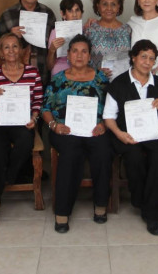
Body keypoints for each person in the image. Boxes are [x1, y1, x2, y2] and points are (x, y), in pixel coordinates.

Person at [41, 34, 111, 233]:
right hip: (65, 130)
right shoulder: (58, 79)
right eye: (75, 51)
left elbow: (111, 107)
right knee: (70, 154)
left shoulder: (101, 78)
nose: (79, 55)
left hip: (95, 129)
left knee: (103, 152)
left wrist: (104, 125)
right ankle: (62, 211)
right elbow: (45, 108)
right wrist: (54, 125)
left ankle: (100, 204)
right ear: (68, 55)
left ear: (89, 56)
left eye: (84, 51)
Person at [103, 40, 158, 235]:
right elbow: (108, 117)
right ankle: (146, 204)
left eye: (151, 58)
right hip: (126, 133)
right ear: (133, 58)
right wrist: (120, 134)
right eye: (143, 57)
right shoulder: (118, 84)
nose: (147, 62)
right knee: (133, 157)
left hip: (153, 133)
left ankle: (149, 209)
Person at [0, 33, 45, 226]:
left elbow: (38, 101)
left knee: (26, 140)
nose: (11, 51)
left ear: (22, 50)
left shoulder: (32, 72)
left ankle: (1, 181)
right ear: (0, 52)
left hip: (21, 119)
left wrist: (34, 118)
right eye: (6, 47)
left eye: (15, 46)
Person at [0, 0, 56, 83]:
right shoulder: (7, 14)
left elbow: (54, 45)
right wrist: (10, 36)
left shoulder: (48, 13)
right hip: (14, 76)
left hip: (43, 73)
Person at [84, 0, 131, 79]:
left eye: (113, 4)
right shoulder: (89, 30)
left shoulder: (128, 30)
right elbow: (82, 58)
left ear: (118, 7)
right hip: (96, 81)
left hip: (124, 82)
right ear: (98, 6)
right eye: (105, 4)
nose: (109, 8)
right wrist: (95, 71)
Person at [47, 0, 84, 76]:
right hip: (61, 70)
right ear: (63, 14)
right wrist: (52, 50)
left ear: (81, 13)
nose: (74, 14)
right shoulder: (55, 32)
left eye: (77, 10)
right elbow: (49, 66)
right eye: (70, 11)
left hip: (81, 70)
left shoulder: (85, 30)